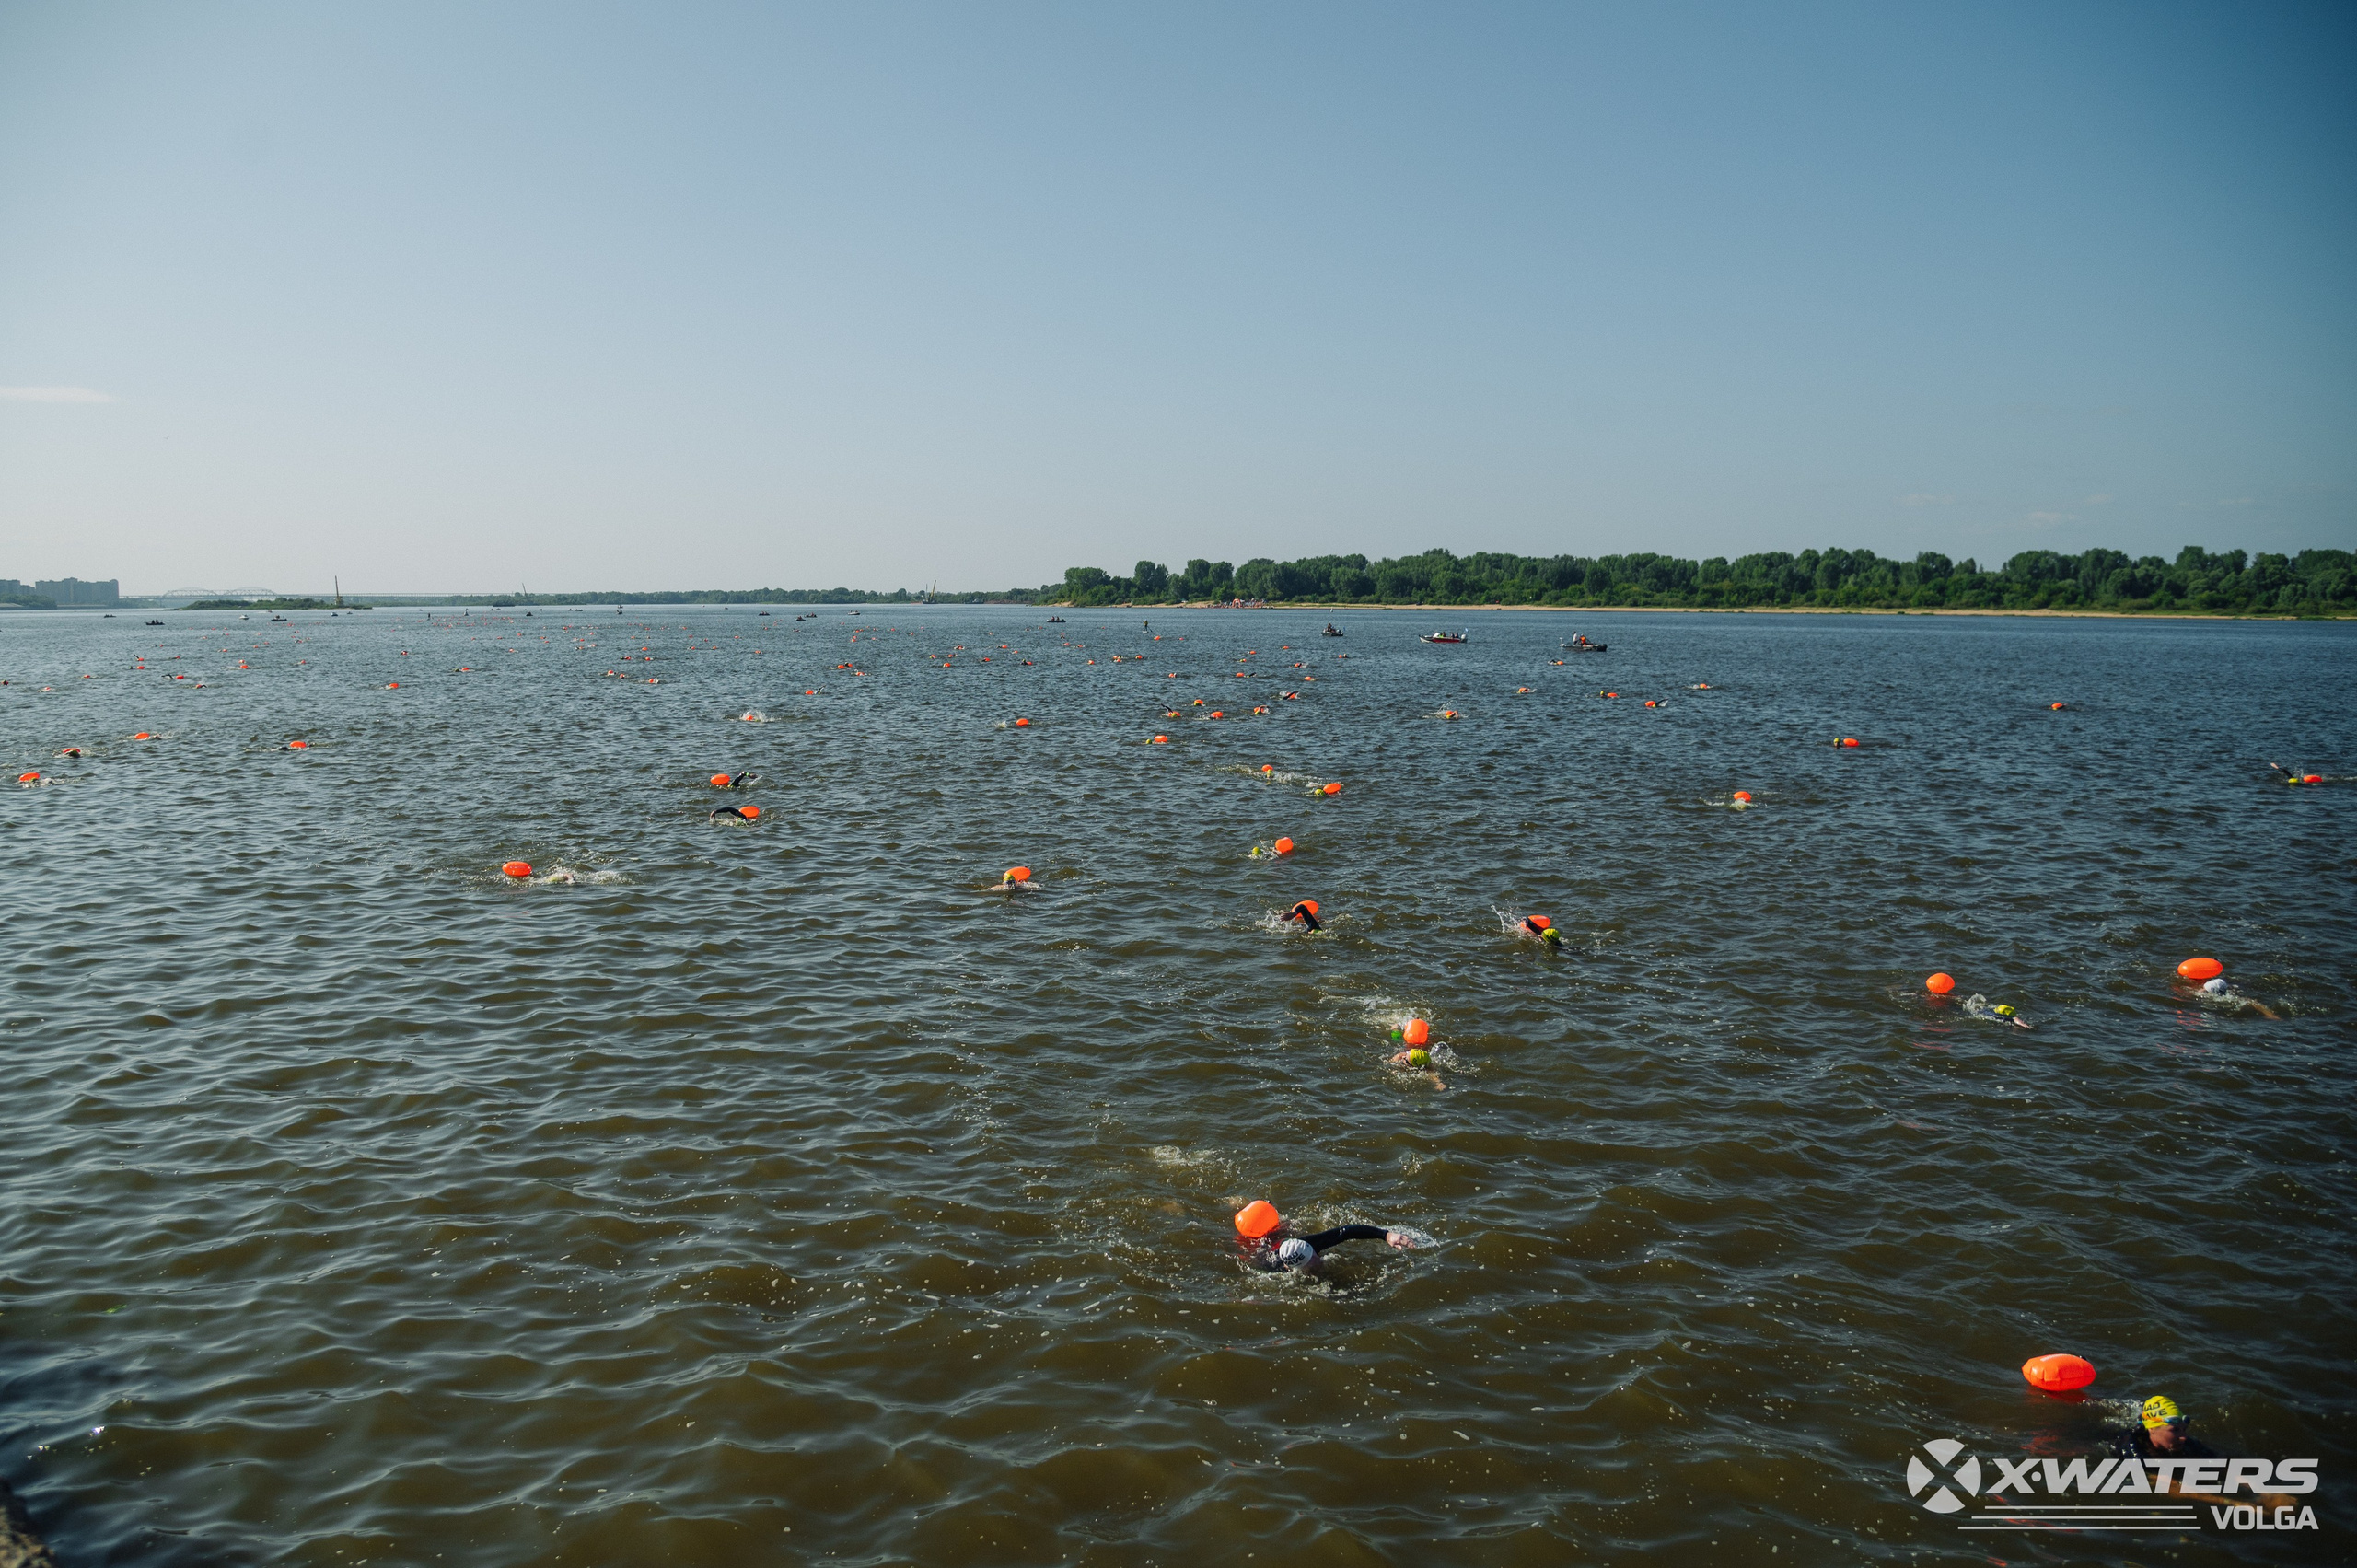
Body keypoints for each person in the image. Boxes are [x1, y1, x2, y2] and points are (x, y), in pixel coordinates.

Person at [1247, 1224, 1416, 1273]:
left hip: (1284, 1241)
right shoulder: (1274, 1268)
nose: (1317, 1259)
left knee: (1283, 1226)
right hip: (1264, 1249)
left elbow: (1346, 1232)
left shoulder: (1308, 1243)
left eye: (1314, 1255)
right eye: (1311, 1261)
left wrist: (1386, 1235)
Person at [2198, 975, 2281, 1019]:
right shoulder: (2216, 993)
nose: (2201, 990)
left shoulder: (2228, 999)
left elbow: (2252, 1002)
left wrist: (2270, 1014)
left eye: (2205, 990)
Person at [1960, 993, 2033, 1030]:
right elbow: (2016, 1019)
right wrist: (2024, 1025)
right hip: (1986, 1012)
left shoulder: (2001, 1017)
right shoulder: (2008, 1019)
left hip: (1986, 1011)